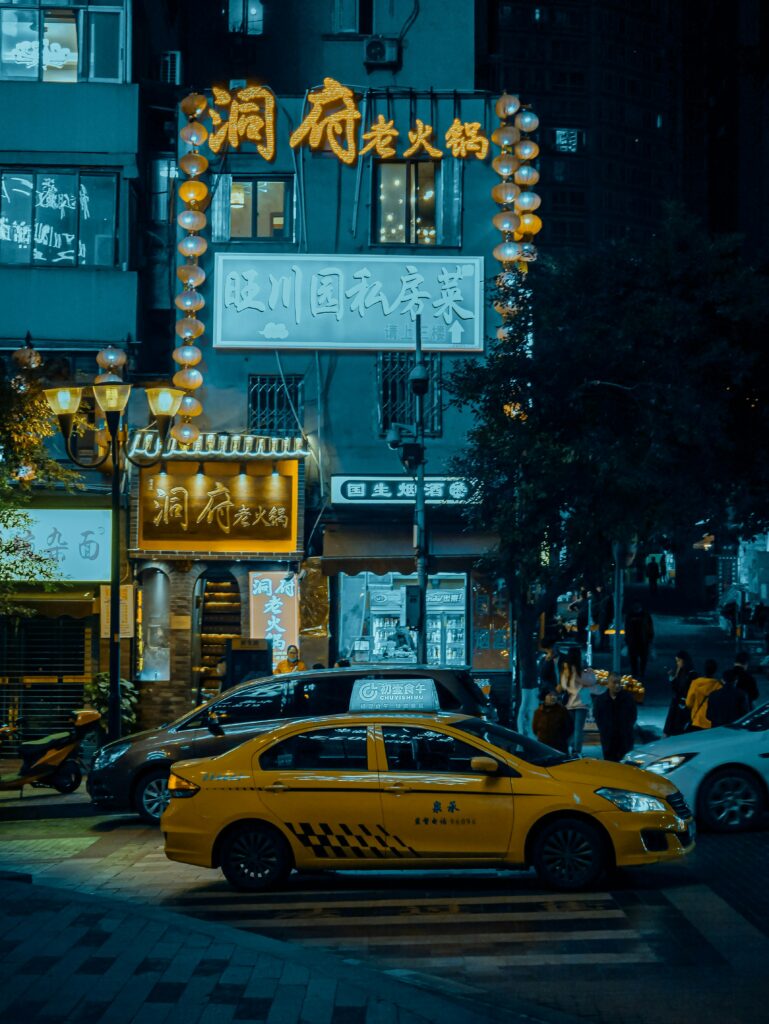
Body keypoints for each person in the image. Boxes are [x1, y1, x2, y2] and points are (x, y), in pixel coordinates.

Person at [558, 648, 595, 756]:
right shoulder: (581, 670)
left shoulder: (566, 670)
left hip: (569, 703)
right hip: (581, 703)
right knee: (578, 729)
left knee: (571, 728)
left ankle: (565, 746)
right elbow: (591, 681)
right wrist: (589, 669)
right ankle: (576, 751)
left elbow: (564, 685)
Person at [593, 672, 638, 761]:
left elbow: (633, 715)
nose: (617, 686)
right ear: (608, 683)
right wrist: (604, 730)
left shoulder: (628, 698)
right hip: (608, 739)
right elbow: (597, 717)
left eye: (619, 683)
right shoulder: (601, 700)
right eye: (614, 682)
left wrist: (627, 728)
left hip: (625, 739)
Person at [663, 650, 697, 736]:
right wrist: (672, 678)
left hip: (685, 704)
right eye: (676, 661)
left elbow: (687, 690)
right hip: (677, 703)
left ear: (684, 660)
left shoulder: (691, 674)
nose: (677, 663)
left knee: (679, 728)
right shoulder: (680, 671)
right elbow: (677, 689)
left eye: (679, 661)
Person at [685, 659, 722, 730]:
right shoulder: (719, 686)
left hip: (697, 721)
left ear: (704, 669)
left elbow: (688, 703)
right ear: (715, 670)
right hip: (712, 724)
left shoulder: (695, 683)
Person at [623, 603, 654, 679]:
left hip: (642, 640)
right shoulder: (631, 615)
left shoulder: (644, 615)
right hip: (635, 640)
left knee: (642, 658)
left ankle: (640, 672)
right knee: (634, 658)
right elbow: (627, 628)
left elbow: (649, 627)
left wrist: (650, 638)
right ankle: (636, 672)